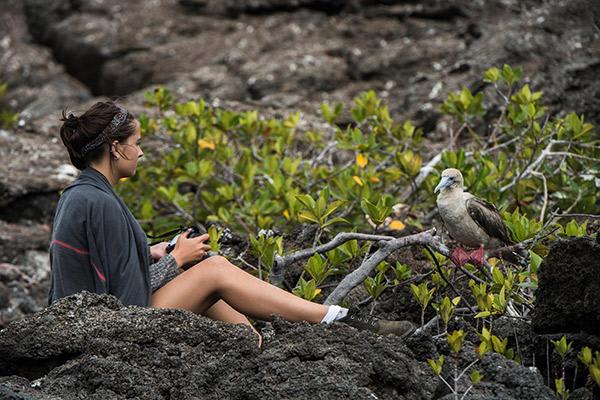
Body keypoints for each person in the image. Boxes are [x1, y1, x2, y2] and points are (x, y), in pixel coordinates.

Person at [48, 101, 415, 347]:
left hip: (88, 325)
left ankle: (253, 343)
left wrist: (150, 252)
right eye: (137, 143)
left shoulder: (81, 195)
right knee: (214, 270)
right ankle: (338, 320)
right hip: (103, 333)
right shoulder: (99, 201)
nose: (141, 152)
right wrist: (176, 262)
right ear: (116, 148)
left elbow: (104, 266)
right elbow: (126, 300)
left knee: (221, 298)